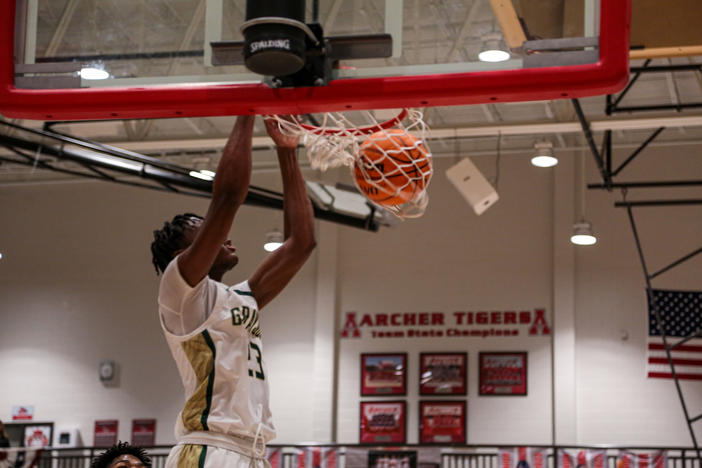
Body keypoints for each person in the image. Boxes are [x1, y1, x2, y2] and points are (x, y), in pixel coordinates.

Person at [150, 115, 315, 468]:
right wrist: (246, 109)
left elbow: (301, 243)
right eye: (204, 230)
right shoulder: (177, 290)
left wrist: (287, 150)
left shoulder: (242, 298)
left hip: (252, 452)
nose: (223, 234)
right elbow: (227, 199)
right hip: (209, 450)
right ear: (183, 255)